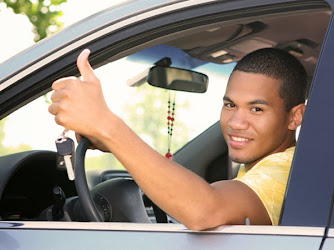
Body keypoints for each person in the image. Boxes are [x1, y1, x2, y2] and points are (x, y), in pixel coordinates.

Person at [48, 47, 307, 230]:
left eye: (257, 109)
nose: (236, 123)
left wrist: (106, 125)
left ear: (295, 117)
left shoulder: (288, 171)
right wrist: (113, 143)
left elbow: (206, 210)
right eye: (230, 105)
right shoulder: (266, 167)